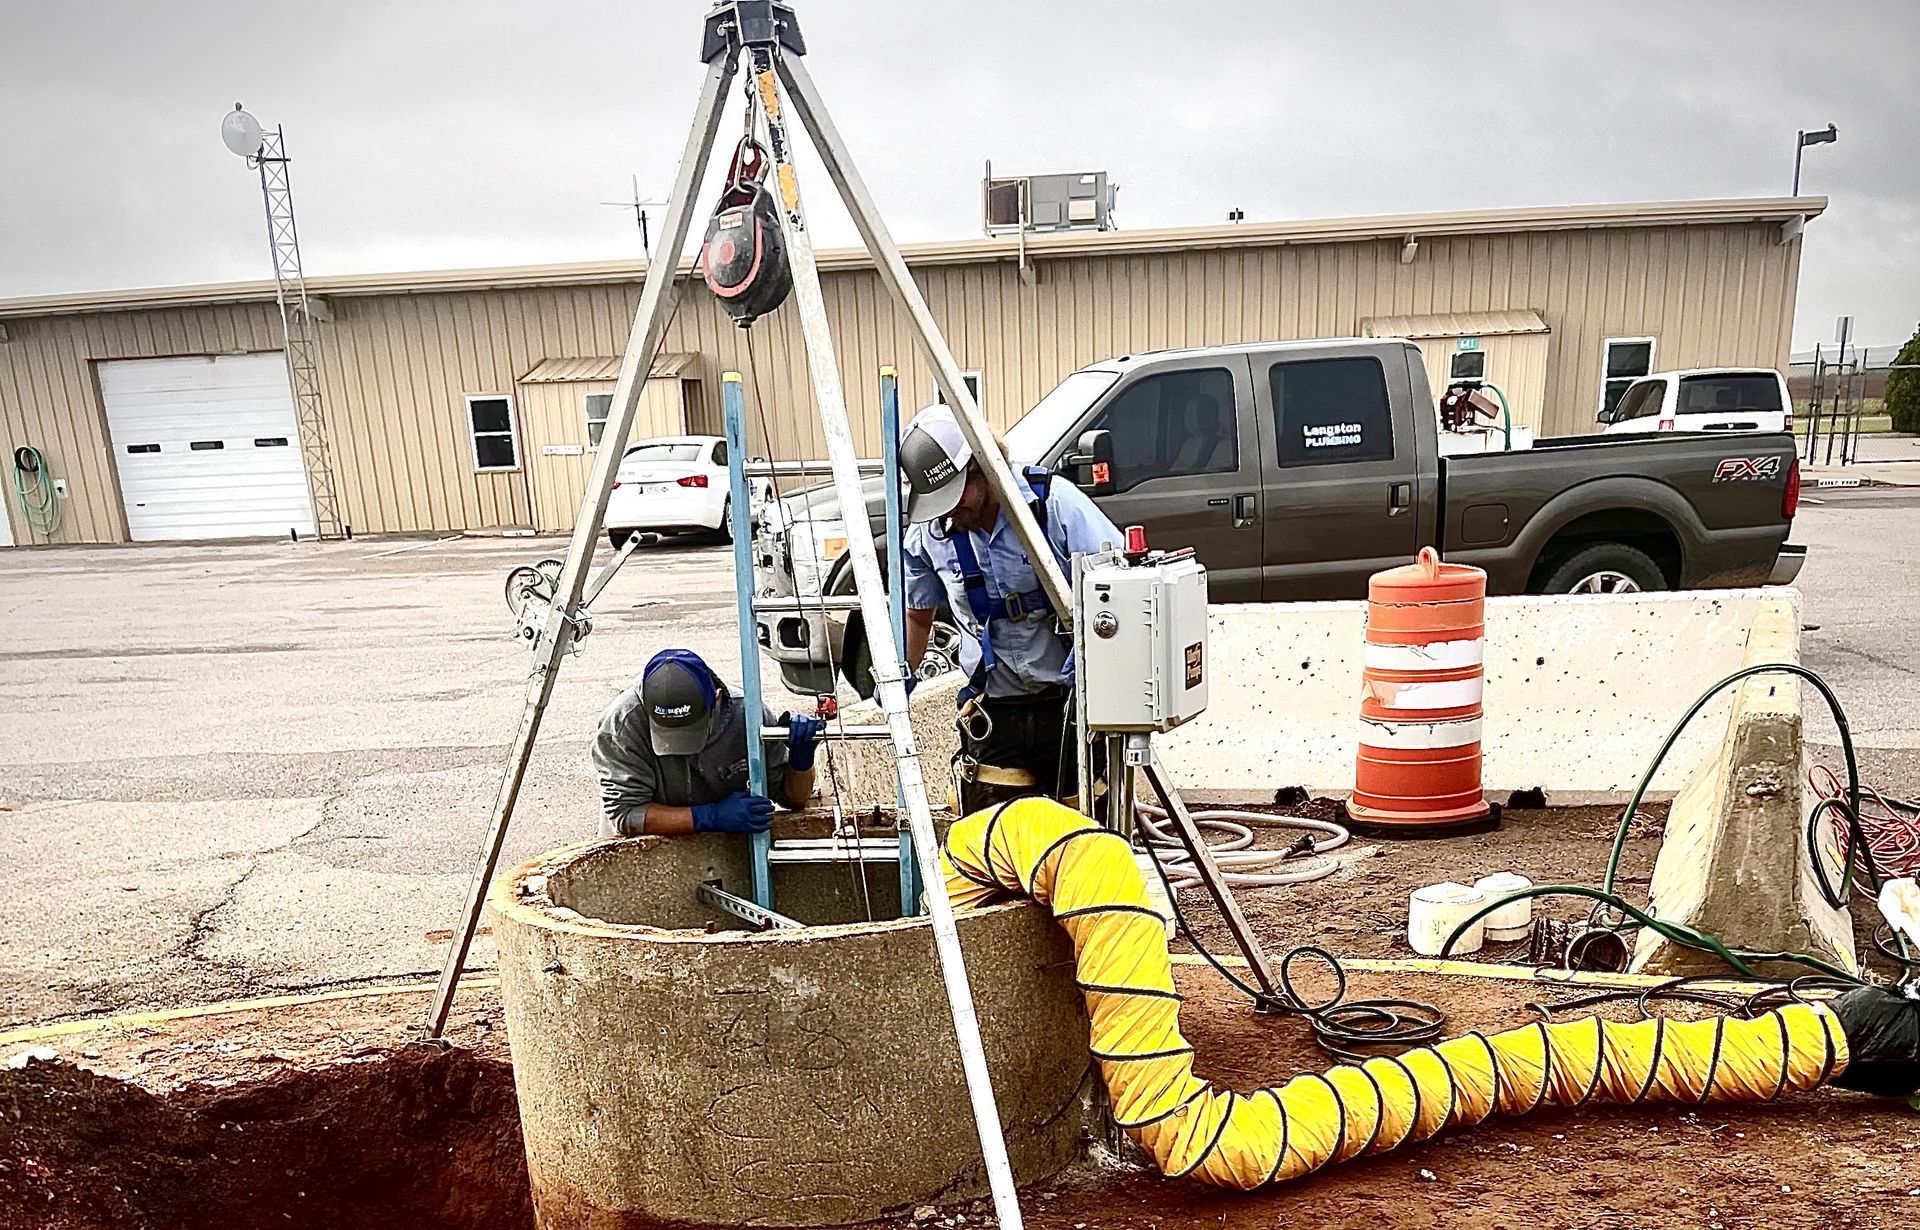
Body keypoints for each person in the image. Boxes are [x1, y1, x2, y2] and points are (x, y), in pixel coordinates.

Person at [898, 405, 1121, 814]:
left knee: (1082, 836)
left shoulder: (1052, 507)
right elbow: (917, 613)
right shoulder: (929, 537)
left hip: (1068, 706)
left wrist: (1093, 667)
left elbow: (1119, 590)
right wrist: (901, 677)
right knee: (996, 841)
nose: (949, 510)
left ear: (983, 465)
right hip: (994, 710)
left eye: (955, 495)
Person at [592, 648, 823, 837]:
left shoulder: (748, 715)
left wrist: (800, 761)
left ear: (717, 699)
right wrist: (710, 816)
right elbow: (628, 814)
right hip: (645, 850)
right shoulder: (622, 725)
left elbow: (794, 799)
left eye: (691, 729)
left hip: (722, 848)